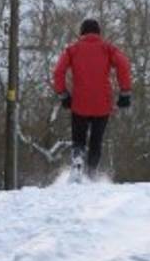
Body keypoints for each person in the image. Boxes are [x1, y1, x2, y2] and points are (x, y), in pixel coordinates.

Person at [52, 18, 133, 178]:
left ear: (82, 32)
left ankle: (77, 163)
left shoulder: (72, 49)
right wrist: (125, 93)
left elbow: (58, 71)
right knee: (96, 140)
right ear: (98, 33)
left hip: (80, 103)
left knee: (79, 139)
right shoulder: (108, 48)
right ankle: (92, 173)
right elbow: (123, 65)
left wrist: (63, 94)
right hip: (102, 104)